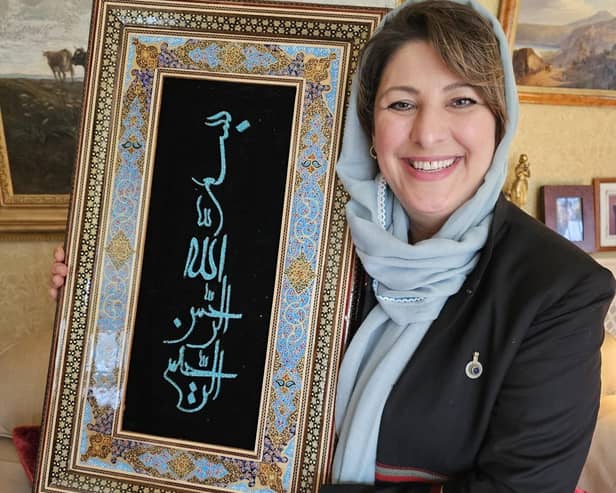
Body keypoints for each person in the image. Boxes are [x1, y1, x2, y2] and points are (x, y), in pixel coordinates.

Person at [50, 1, 615, 492]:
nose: (428, 133)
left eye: (461, 101)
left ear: (500, 118)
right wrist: (102, 299)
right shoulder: (302, 236)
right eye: (401, 103)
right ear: (369, 127)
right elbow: (201, 330)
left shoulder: (558, 289)